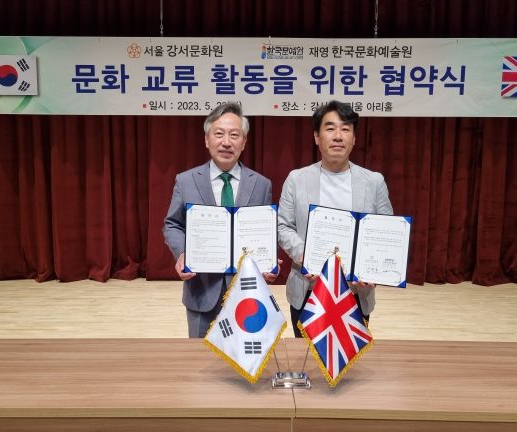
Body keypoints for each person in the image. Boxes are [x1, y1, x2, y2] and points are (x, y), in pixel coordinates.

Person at [278, 100, 393, 337]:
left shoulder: (374, 182)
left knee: (349, 355)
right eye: (330, 128)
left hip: (355, 290)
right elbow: (283, 226)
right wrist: (306, 256)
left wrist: (372, 268)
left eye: (345, 129)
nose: (338, 136)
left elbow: (386, 231)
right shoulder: (296, 179)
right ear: (317, 137)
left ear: (354, 138)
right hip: (308, 288)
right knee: (306, 356)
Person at [163, 102, 278, 338]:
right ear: (207, 140)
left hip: (247, 294)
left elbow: (265, 231)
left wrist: (268, 262)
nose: (226, 142)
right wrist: (182, 253)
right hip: (201, 291)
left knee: (244, 355)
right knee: (199, 355)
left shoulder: (261, 184)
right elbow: (172, 224)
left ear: (244, 142)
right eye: (219, 134)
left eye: (234, 135)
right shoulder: (186, 181)